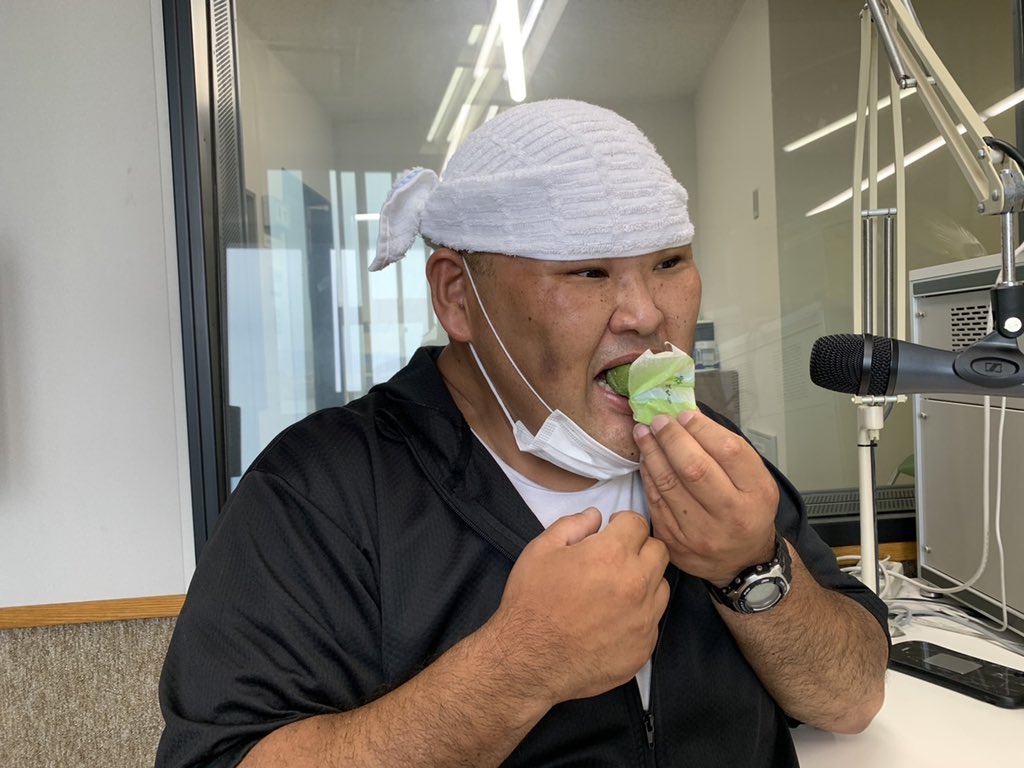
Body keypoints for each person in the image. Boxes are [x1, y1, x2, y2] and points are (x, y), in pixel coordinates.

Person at [156, 99, 890, 768]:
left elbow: (853, 697)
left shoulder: (707, 455)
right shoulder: (322, 489)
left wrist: (753, 568)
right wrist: (521, 666)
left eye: (669, 263)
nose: (645, 314)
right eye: (589, 272)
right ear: (458, 296)